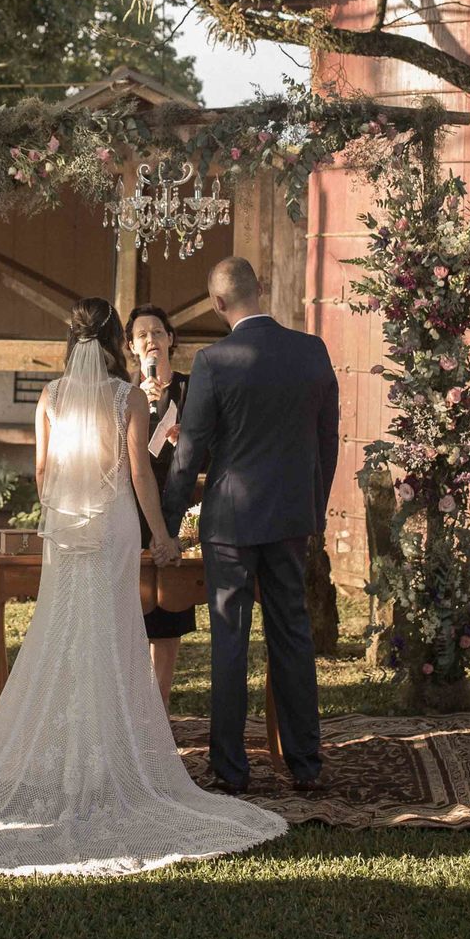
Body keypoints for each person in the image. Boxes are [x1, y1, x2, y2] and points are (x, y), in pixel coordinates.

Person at [0, 297, 285, 875]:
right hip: (111, 526)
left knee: (62, 631)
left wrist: (59, 517)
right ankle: (107, 759)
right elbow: (137, 472)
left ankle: (66, 757)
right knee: (111, 633)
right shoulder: (126, 396)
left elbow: (42, 472)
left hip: (66, 525)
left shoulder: (51, 397)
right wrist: (162, 535)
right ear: (116, 341)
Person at [162, 257, 339, 794]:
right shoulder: (312, 351)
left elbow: (188, 452)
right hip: (290, 517)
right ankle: (305, 763)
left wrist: (167, 522)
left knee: (230, 640)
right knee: (293, 635)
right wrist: (315, 507)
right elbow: (327, 441)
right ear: (261, 289)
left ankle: (231, 770)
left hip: (230, 523)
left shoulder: (214, 362)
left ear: (217, 304)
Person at [126, 302, 194, 709]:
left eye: (157, 332)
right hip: (131, 510)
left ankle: (160, 710)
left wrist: (185, 440)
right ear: (132, 347)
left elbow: (211, 449)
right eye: (141, 335)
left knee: (170, 615)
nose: (151, 340)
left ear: (171, 339)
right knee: (132, 614)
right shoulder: (124, 393)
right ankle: (132, 712)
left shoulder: (192, 387)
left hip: (176, 507)